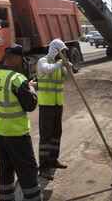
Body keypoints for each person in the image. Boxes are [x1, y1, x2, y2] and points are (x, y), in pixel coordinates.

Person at [0, 44, 42, 201]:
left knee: (5, 169)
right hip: (17, 134)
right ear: (16, 58)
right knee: (28, 171)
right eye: (20, 60)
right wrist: (31, 87)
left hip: (0, 133)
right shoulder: (17, 79)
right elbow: (30, 105)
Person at [37, 39, 72, 180]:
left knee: (57, 133)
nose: (63, 53)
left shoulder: (60, 64)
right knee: (46, 135)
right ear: (55, 50)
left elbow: (69, 78)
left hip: (58, 104)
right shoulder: (43, 61)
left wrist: (68, 67)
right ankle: (44, 166)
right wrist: (61, 62)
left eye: (64, 52)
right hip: (46, 105)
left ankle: (53, 160)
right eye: (62, 51)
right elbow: (49, 69)